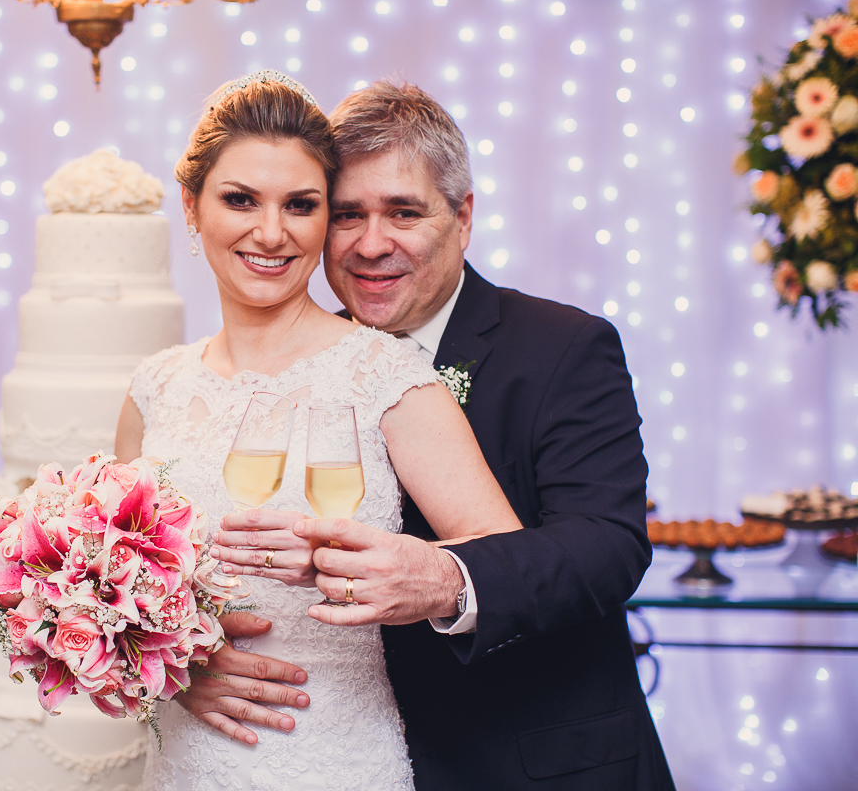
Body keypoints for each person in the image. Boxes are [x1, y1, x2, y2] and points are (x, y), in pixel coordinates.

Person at [183, 81, 677, 790]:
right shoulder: (292, 363)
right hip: (349, 753)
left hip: (533, 759)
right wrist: (187, 663)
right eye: (347, 215)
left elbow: (608, 545)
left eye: (403, 212)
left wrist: (448, 578)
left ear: (463, 216)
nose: (372, 245)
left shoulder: (564, 346)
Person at [114, 72, 522, 790]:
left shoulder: (387, 376)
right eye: (240, 199)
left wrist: (365, 568)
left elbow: (505, 565)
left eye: (300, 206)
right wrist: (176, 668)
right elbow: (118, 589)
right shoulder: (156, 389)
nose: (271, 233)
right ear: (192, 206)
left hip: (336, 757)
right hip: (185, 763)